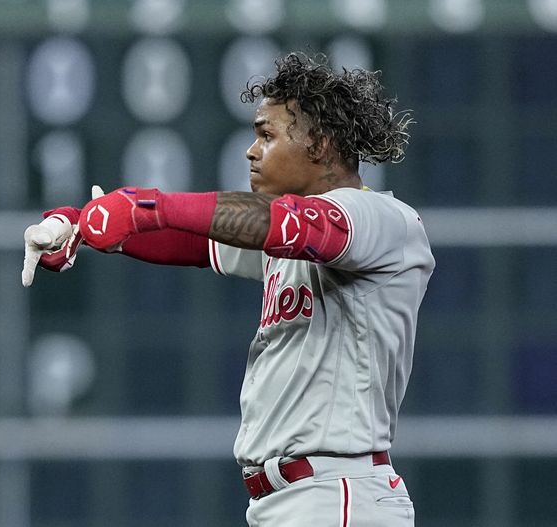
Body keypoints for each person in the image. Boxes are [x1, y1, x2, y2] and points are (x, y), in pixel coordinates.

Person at [22, 51, 434, 527]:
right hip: (292, 500)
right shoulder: (288, 236)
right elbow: (195, 242)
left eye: (267, 135)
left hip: (338, 497)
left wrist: (147, 206)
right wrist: (80, 228)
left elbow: (286, 225)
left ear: (320, 144)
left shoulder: (380, 219)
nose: (251, 151)